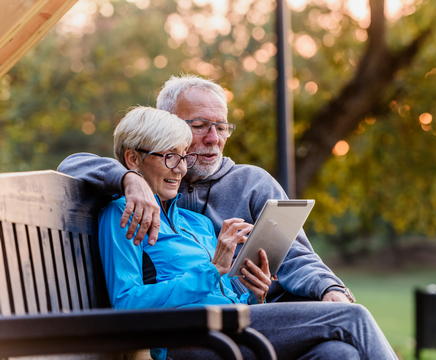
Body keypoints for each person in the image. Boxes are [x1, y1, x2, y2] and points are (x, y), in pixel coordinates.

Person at [100, 106, 398, 360]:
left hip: (227, 327)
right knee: (351, 316)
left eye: (182, 157)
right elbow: (127, 303)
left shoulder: (196, 223)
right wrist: (213, 269)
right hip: (189, 339)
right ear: (133, 159)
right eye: (168, 157)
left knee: (336, 353)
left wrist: (249, 290)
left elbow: (219, 290)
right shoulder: (122, 215)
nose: (179, 169)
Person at [58, 75, 354, 303]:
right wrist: (129, 179)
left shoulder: (250, 183)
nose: (214, 138)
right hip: (205, 333)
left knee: (341, 336)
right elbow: (74, 164)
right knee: (346, 327)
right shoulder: (145, 183)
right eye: (199, 125)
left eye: (221, 126)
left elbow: (295, 255)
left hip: (263, 312)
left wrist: (329, 289)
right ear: (169, 128)